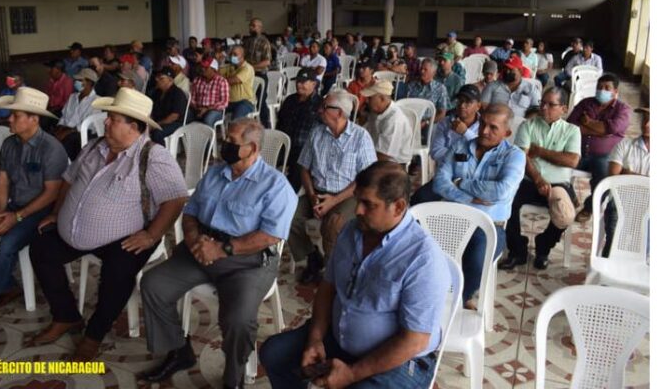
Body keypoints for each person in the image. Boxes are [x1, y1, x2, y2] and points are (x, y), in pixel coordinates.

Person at [29, 88, 188, 361]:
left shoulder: (153, 157)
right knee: (41, 249)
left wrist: (151, 235)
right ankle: (66, 315)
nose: (105, 122)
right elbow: (68, 179)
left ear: (134, 127)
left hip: (129, 236)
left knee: (117, 274)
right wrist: (58, 213)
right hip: (75, 231)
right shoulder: (94, 146)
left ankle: (93, 335)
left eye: (113, 119)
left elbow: (175, 199)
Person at [260, 161, 451, 389]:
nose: (357, 210)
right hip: (338, 338)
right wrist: (315, 338)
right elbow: (327, 288)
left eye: (368, 204)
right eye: (358, 199)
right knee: (275, 353)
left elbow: (414, 340)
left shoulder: (423, 258)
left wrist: (351, 374)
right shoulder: (352, 231)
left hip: (400, 359)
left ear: (399, 207)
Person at [138, 119, 298, 389]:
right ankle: (179, 351)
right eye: (225, 139)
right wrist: (193, 239)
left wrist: (223, 249)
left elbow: (270, 236)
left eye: (232, 143)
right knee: (153, 284)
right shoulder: (215, 173)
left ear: (252, 148)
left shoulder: (275, 185)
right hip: (202, 248)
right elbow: (190, 213)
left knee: (238, 319)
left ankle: (233, 377)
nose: (225, 146)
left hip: (247, 261)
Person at [0, 88, 68, 315]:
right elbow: (3, 181)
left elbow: (52, 193)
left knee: (7, 244)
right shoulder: (9, 144)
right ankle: (7, 286)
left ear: (34, 119)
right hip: (13, 207)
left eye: (16, 115)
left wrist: (16, 218)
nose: (9, 119)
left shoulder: (51, 148)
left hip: (41, 211)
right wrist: (0, 213)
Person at [433, 104, 525, 306]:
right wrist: (467, 198)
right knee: (423, 250)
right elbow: (439, 182)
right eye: (483, 123)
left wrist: (460, 183)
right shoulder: (460, 146)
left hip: (488, 225)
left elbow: (501, 191)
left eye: (493, 127)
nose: (484, 131)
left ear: (506, 133)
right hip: (452, 217)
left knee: (475, 258)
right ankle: (430, 298)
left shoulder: (514, 155)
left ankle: (456, 303)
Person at [289, 90, 377, 284]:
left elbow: (366, 178)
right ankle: (312, 258)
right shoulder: (317, 133)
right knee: (288, 215)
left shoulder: (360, 137)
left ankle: (332, 272)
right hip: (317, 191)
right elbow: (303, 167)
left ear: (338, 112)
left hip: (347, 195)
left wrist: (332, 201)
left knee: (334, 223)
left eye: (325, 107)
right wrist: (312, 196)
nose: (320, 110)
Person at [500, 87, 581, 270]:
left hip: (558, 184)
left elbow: (572, 160)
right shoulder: (528, 126)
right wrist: (537, 179)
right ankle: (517, 251)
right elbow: (522, 157)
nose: (544, 108)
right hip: (529, 180)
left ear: (564, 109)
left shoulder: (572, 131)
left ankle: (543, 246)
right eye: (542, 103)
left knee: (566, 214)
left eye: (551, 104)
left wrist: (540, 152)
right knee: (506, 200)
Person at [567, 73, 631, 223]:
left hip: (605, 156)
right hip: (579, 151)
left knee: (604, 178)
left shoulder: (623, 110)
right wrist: (601, 130)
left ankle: (589, 208)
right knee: (558, 166)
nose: (602, 90)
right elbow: (571, 125)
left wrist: (587, 123)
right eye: (599, 87)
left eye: (607, 88)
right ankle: (570, 197)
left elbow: (612, 127)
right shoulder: (586, 103)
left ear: (615, 92)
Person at [603, 107, 650, 257]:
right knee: (615, 241)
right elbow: (613, 177)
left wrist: (628, 173)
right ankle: (609, 262)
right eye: (645, 119)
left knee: (643, 249)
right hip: (622, 200)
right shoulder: (624, 145)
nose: (647, 124)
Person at [277, 68, 323, 190]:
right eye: (298, 82)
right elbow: (280, 123)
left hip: (305, 149)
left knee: (296, 173)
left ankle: (289, 197)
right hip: (284, 144)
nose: (298, 85)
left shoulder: (320, 105)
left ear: (314, 84)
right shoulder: (289, 100)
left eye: (303, 82)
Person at [53, 68, 100, 160]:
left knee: (68, 141)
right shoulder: (72, 97)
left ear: (89, 83)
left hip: (82, 132)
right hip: (67, 128)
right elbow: (64, 116)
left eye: (80, 80)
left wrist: (67, 132)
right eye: (76, 80)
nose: (76, 82)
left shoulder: (97, 101)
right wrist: (60, 128)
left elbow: (88, 124)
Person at [362, 81, 412, 165]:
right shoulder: (376, 111)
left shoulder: (394, 120)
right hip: (376, 154)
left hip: (393, 163)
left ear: (382, 99)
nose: (366, 101)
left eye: (370, 98)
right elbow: (364, 133)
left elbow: (384, 155)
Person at [243, 18, 272, 127]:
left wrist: (251, 67)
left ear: (260, 27)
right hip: (248, 75)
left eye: (253, 26)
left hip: (260, 74)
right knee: (245, 99)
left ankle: (266, 125)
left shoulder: (264, 42)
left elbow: (267, 61)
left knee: (261, 101)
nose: (251, 28)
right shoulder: (247, 41)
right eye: (250, 25)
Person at [149, 67, 188, 145]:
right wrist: (150, 122)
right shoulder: (157, 92)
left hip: (175, 122)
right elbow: (151, 109)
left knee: (157, 134)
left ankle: (161, 155)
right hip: (159, 121)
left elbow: (174, 116)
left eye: (161, 78)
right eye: (157, 77)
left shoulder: (178, 93)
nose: (157, 80)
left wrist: (157, 124)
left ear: (170, 80)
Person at [406, 58, 449, 125]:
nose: (422, 71)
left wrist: (427, 122)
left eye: (425, 70)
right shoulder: (412, 84)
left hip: (428, 124)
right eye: (421, 69)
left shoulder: (440, 88)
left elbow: (442, 113)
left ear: (433, 73)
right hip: (410, 119)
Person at [189, 56, 229, 126]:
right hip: (198, 108)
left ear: (214, 70)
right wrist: (197, 108)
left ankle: (209, 137)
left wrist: (207, 109)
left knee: (208, 119)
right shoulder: (197, 80)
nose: (203, 69)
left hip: (214, 110)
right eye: (202, 67)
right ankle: (189, 136)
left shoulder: (222, 81)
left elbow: (224, 102)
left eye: (206, 68)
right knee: (185, 116)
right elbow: (192, 97)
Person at [222, 45, 257, 120]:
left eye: (235, 54)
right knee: (214, 112)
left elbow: (234, 80)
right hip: (229, 102)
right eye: (231, 54)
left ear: (242, 56)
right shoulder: (229, 67)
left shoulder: (247, 68)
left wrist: (222, 79)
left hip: (245, 102)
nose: (232, 56)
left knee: (236, 119)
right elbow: (215, 74)